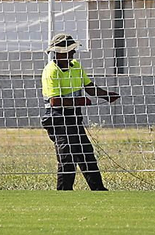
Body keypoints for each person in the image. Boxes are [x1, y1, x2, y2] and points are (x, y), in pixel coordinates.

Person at [41, 33, 118, 191]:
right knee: (67, 158)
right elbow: (55, 101)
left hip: (73, 118)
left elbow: (89, 87)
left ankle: (99, 190)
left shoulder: (76, 66)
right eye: (71, 50)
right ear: (61, 52)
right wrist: (80, 102)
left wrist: (106, 95)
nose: (74, 53)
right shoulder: (51, 71)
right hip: (57, 119)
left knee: (86, 154)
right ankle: (64, 193)